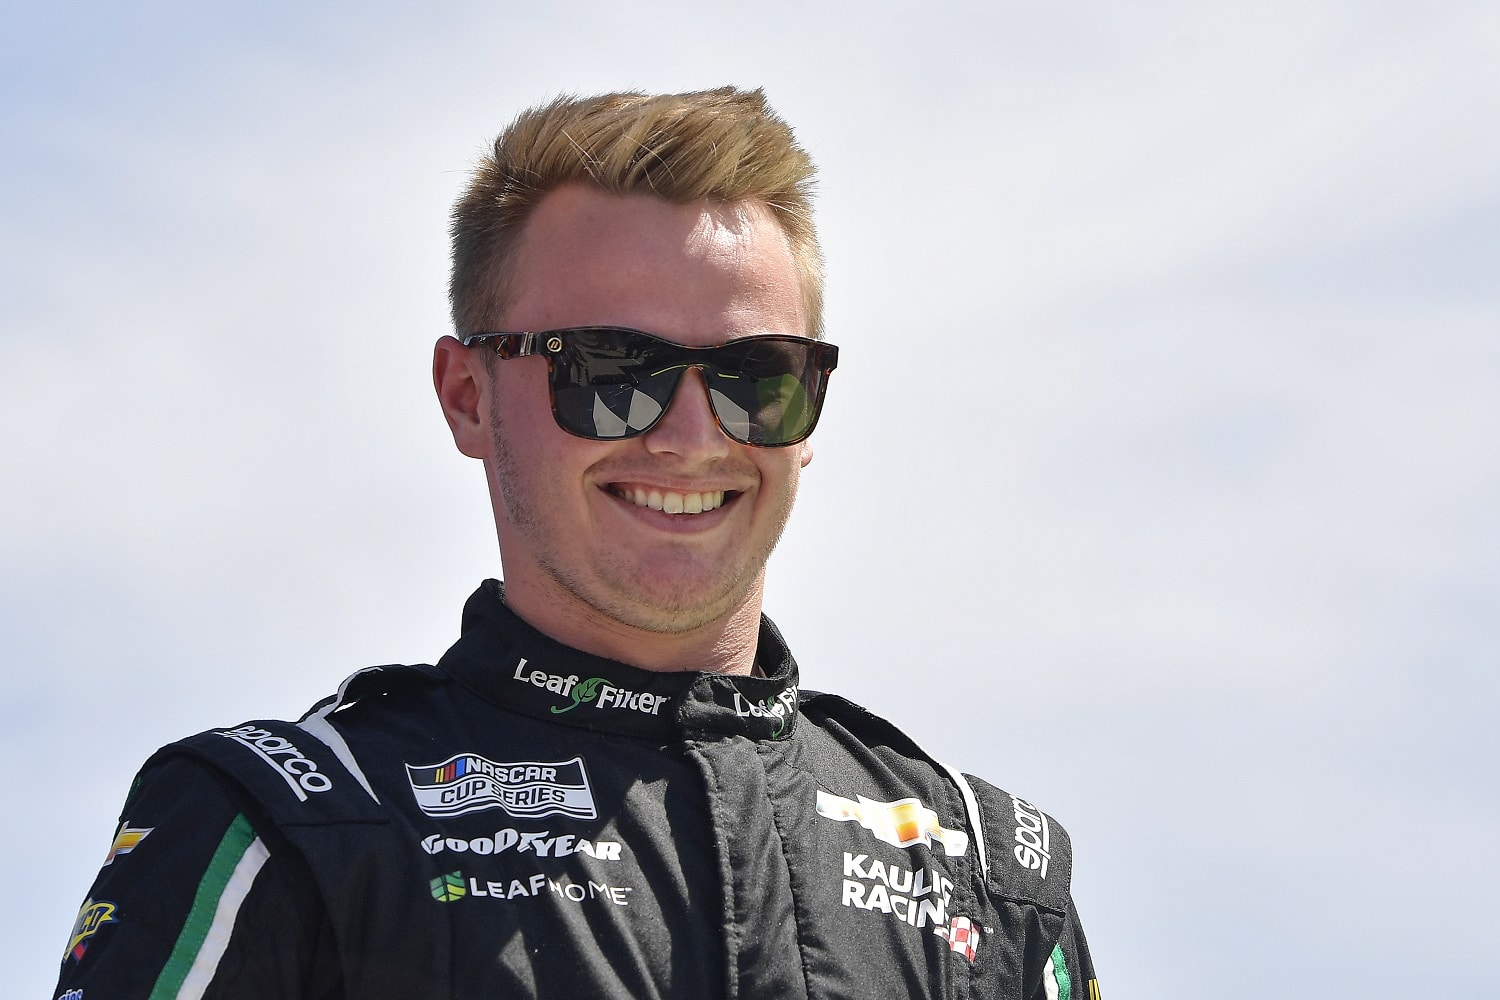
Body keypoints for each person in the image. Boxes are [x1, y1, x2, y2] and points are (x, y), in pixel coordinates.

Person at [55, 87, 1099, 1000]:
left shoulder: (986, 870)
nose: (692, 438)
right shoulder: (284, 823)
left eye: (754, 377)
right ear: (467, 397)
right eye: (610, 371)